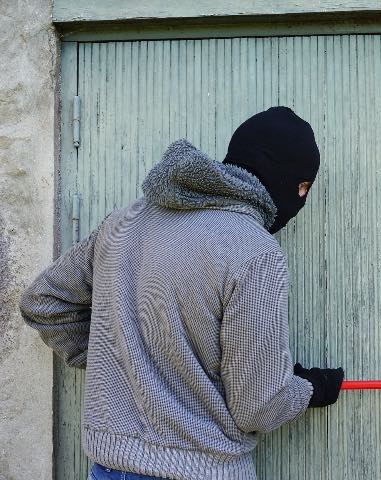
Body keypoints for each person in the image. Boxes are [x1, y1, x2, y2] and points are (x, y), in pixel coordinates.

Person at [19, 106, 344, 480]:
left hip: (108, 469)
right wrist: (310, 389)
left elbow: (43, 302)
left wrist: (121, 358)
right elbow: (257, 407)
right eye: (302, 187)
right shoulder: (255, 251)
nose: (300, 199)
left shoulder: (124, 222)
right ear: (281, 176)